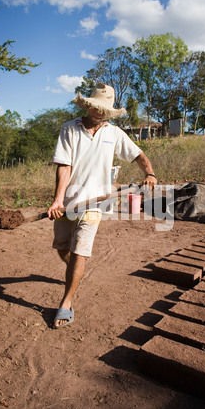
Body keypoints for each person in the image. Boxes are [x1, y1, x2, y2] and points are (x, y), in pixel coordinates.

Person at [47, 83, 157, 329]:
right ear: (86, 105)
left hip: (96, 203)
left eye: (105, 109)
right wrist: (57, 199)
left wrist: (150, 173)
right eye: (95, 107)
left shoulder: (114, 133)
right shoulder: (70, 129)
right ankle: (75, 270)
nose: (99, 113)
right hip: (68, 202)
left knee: (80, 252)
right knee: (63, 248)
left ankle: (66, 302)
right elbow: (64, 166)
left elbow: (139, 155)